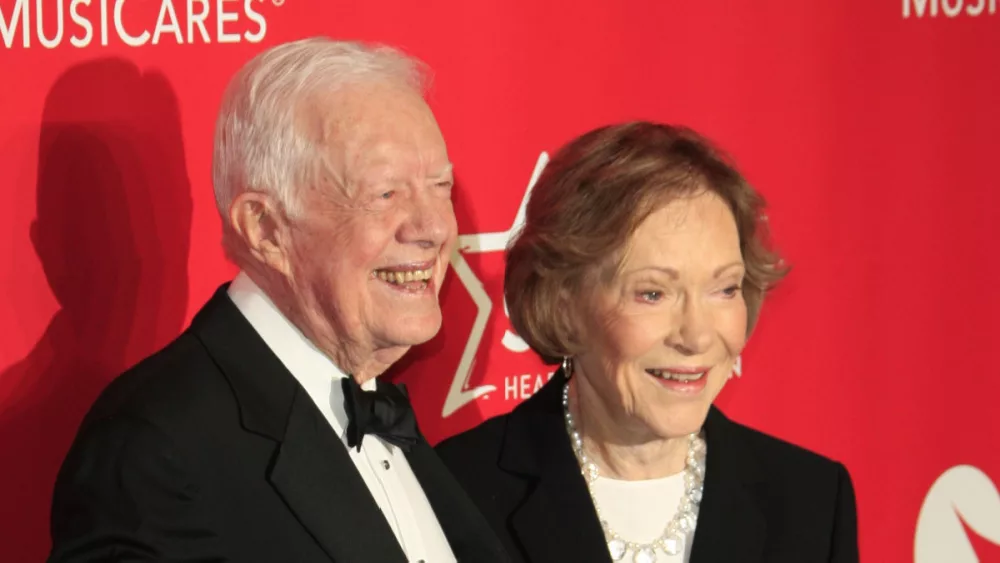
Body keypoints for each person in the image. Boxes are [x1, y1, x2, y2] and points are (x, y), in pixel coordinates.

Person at [48, 37, 509, 563]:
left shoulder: (384, 412)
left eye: (440, 185)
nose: (434, 227)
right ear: (265, 229)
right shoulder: (153, 454)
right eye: (386, 194)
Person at [436, 122, 859, 563]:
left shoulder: (811, 502)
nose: (696, 335)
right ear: (563, 305)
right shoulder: (459, 492)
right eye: (653, 293)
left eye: (725, 289)